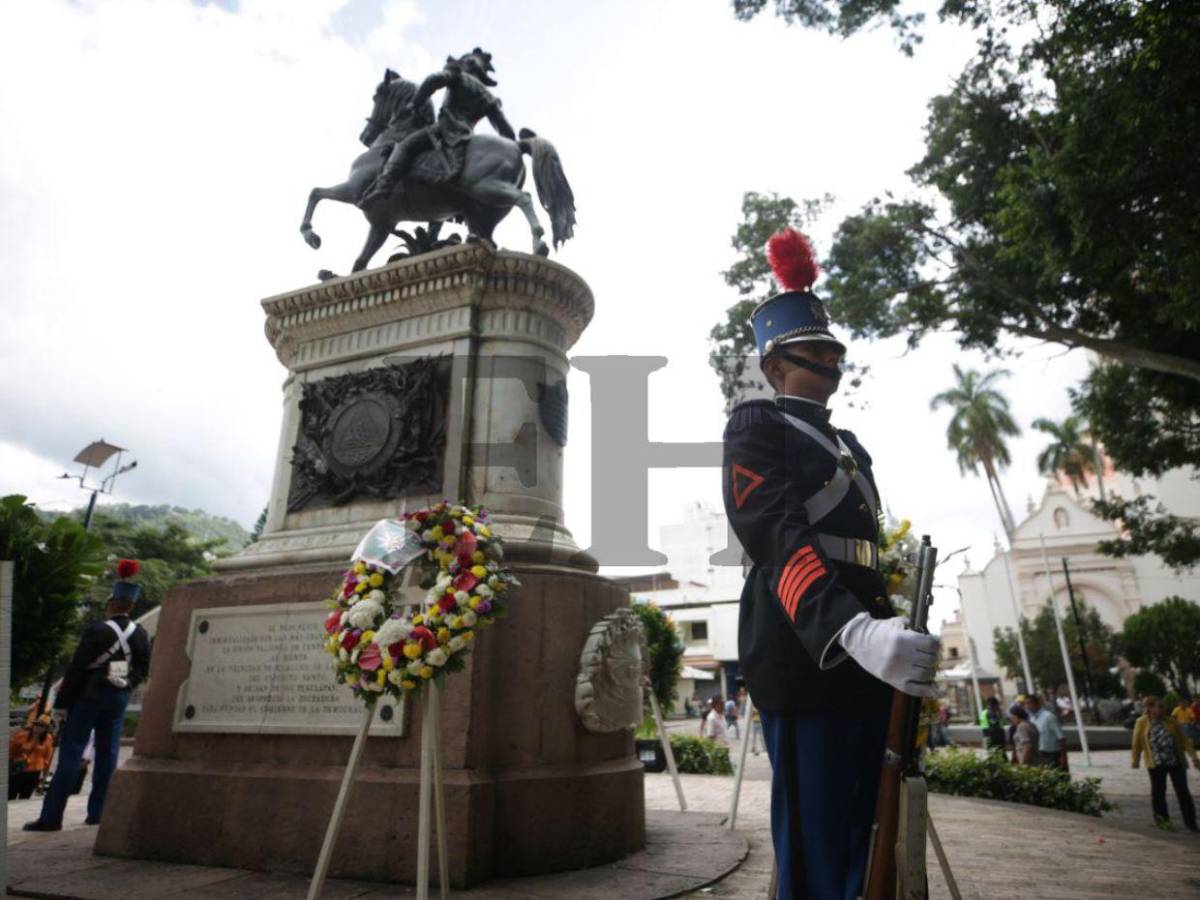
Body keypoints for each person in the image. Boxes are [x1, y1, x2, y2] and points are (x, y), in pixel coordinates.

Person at [722, 227, 939, 899]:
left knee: (870, 827)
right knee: (817, 839)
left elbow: (865, 548)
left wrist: (888, 626)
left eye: (831, 350)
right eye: (811, 351)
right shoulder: (756, 427)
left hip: (870, 648)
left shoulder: (849, 444)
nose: (827, 360)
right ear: (775, 365)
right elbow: (774, 533)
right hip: (804, 647)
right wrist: (850, 629)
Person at [24, 559, 151, 831]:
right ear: (130, 606)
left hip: (89, 694)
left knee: (72, 751)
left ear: (111, 603)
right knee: (108, 753)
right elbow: (143, 667)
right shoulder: (140, 634)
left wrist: (61, 704)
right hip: (118, 695)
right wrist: (128, 682)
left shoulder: (97, 629)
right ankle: (98, 812)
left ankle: (51, 817)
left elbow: (77, 668)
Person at [361, 48, 516, 205]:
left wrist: (415, 103)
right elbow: (503, 126)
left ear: (465, 64)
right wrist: (514, 145)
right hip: (466, 136)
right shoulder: (488, 97)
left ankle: (384, 186)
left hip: (443, 130)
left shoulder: (458, 76)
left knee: (403, 147)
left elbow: (432, 80)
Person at [1131, 695, 1198, 832]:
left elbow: (1184, 740)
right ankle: (1163, 822)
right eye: (1159, 706)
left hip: (1175, 762)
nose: (1163, 709)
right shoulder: (1141, 722)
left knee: (1183, 792)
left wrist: (1194, 758)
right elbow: (1136, 742)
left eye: (1163, 706)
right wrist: (1135, 761)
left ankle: (1191, 824)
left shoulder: (1170, 721)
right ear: (1150, 708)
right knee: (1158, 793)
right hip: (1156, 764)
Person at [9, 716, 55, 800]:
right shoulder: (22, 735)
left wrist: (44, 776)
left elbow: (47, 758)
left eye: (42, 726)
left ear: (46, 729)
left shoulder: (48, 739)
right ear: (33, 725)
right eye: (37, 724)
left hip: (34, 772)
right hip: (18, 770)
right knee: (11, 795)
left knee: (25, 797)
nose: (39, 727)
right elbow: (11, 752)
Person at [1026, 695, 1068, 770]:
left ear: (1037, 703)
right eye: (1026, 704)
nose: (1028, 706)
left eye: (1029, 703)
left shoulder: (1049, 717)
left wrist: (1063, 758)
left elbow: (1061, 738)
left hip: (1052, 754)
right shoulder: (1031, 719)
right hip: (1039, 755)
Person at [1170, 696, 1200, 766]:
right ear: (1179, 703)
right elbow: (1173, 717)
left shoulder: (1188, 710)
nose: (1183, 703)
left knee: (1189, 730)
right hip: (1180, 726)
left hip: (1188, 725)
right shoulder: (1176, 709)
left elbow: (1193, 718)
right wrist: (1176, 723)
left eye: (1184, 702)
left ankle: (1194, 756)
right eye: (1181, 702)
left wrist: (1193, 722)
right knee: (1186, 733)